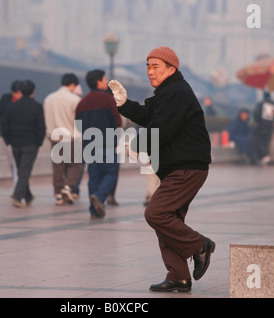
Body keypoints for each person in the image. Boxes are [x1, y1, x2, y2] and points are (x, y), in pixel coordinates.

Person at [108, 46, 215, 292]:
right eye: (148, 66)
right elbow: (149, 116)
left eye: (156, 66)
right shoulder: (168, 92)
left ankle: (200, 246)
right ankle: (179, 276)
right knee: (169, 219)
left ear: (171, 68)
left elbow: (162, 128)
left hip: (187, 167)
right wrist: (124, 104)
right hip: (179, 167)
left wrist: (138, 143)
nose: (150, 71)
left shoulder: (176, 92)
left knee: (156, 213)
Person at [76, 69, 122, 220]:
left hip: (90, 144)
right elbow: (117, 121)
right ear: (98, 81)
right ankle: (99, 196)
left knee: (94, 177)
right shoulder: (108, 99)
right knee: (111, 172)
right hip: (107, 143)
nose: (105, 82)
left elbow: (78, 125)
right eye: (104, 79)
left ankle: (94, 212)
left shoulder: (82, 102)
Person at [1, 80, 46, 208]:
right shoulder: (37, 107)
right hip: (31, 144)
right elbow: (41, 127)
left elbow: (5, 126)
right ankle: (17, 197)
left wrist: (8, 140)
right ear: (33, 92)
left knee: (22, 170)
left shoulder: (11, 106)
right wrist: (39, 142)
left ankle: (28, 196)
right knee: (24, 171)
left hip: (15, 144)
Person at [44, 73, 83, 206]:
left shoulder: (49, 98)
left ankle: (58, 195)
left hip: (54, 137)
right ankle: (67, 187)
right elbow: (78, 120)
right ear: (73, 84)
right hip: (71, 137)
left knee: (58, 167)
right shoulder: (75, 100)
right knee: (76, 164)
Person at [0, 81, 23, 185]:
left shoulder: (25, 101)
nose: (18, 96)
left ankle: (19, 187)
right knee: (13, 162)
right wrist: (4, 124)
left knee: (20, 163)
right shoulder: (6, 99)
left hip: (23, 136)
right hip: (9, 136)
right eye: (16, 93)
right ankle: (18, 185)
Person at [250, 91, 274, 165]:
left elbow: (256, 113)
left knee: (261, 141)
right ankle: (266, 156)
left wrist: (257, 121)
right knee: (267, 141)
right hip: (270, 126)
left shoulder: (261, 104)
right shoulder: (273, 104)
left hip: (261, 126)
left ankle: (265, 156)